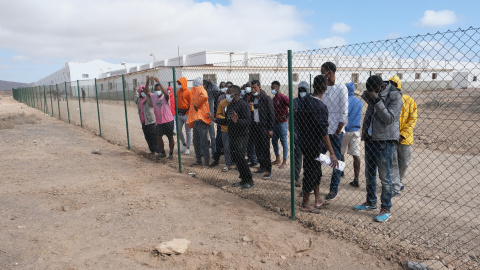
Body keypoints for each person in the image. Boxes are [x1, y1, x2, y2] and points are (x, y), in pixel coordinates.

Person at [353, 75, 403, 223]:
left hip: (384, 141)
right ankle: (370, 202)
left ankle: (386, 208)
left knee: (385, 178)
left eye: (373, 91)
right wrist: (369, 96)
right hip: (371, 139)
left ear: (381, 87)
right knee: (369, 174)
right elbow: (371, 107)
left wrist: (377, 100)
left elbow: (389, 119)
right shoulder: (376, 92)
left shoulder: (395, 97)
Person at [296, 75, 338, 213]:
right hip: (314, 146)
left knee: (316, 172)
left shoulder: (304, 101)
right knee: (311, 173)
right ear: (325, 87)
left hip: (304, 142)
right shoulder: (320, 106)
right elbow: (323, 133)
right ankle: (305, 204)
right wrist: (332, 153)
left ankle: (317, 199)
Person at [209, 85, 254, 189]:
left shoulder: (243, 105)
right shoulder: (229, 106)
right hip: (232, 134)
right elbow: (226, 121)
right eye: (227, 92)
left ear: (236, 94)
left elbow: (248, 121)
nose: (227, 94)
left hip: (241, 136)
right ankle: (243, 180)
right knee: (237, 159)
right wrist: (214, 119)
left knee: (241, 159)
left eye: (229, 92)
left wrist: (237, 121)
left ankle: (249, 180)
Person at [320, 62, 349, 201]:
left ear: (330, 73)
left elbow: (344, 112)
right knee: (317, 157)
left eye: (323, 72)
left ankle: (333, 189)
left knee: (336, 161)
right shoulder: (324, 88)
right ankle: (314, 185)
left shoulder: (341, 88)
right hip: (323, 131)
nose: (321, 75)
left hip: (336, 132)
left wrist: (337, 131)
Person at [389, 76, 417, 197]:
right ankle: (395, 186)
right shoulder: (388, 101)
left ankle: (399, 180)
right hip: (391, 138)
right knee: (393, 162)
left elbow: (412, 120)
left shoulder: (409, 101)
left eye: (393, 85)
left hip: (405, 138)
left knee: (404, 162)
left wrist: (402, 135)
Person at [250, 80, 275, 180]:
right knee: (258, 149)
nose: (253, 90)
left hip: (264, 127)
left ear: (259, 88)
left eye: (255, 88)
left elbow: (271, 114)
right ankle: (261, 167)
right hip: (255, 127)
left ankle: (268, 170)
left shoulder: (266, 98)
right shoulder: (252, 98)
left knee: (265, 149)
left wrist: (270, 129)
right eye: (252, 88)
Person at [341, 82, 363, 188]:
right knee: (356, 155)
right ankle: (356, 179)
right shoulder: (359, 102)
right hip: (356, 130)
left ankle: (341, 172)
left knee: (340, 152)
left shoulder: (344, 101)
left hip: (345, 130)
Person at [187, 77, 212, 168]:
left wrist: (196, 104)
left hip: (202, 120)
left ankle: (206, 162)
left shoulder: (201, 90)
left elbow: (205, 97)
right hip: (196, 120)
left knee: (204, 142)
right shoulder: (196, 91)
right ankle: (198, 160)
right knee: (196, 141)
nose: (194, 84)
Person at [134, 82, 161, 159]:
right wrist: (135, 91)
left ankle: (158, 152)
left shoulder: (148, 98)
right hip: (143, 122)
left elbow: (150, 99)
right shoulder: (139, 100)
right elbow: (135, 98)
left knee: (154, 137)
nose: (143, 93)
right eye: (141, 91)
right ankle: (152, 151)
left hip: (151, 121)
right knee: (147, 137)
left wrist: (147, 88)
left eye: (144, 91)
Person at [150, 76, 175, 160]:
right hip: (160, 122)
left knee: (170, 137)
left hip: (168, 121)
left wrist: (159, 82)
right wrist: (147, 82)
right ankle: (163, 153)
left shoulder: (165, 97)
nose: (157, 91)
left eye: (159, 89)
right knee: (159, 137)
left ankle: (171, 153)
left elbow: (166, 94)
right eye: (156, 90)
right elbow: (146, 92)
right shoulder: (154, 97)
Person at [210, 89, 233, 171]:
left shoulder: (237, 103)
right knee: (225, 146)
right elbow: (218, 115)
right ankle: (228, 164)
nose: (229, 95)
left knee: (235, 147)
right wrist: (227, 119)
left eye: (231, 93)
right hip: (224, 128)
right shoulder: (222, 103)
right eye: (228, 93)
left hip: (235, 129)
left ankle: (236, 163)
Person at [293, 81, 310, 187]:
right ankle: (296, 177)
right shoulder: (294, 102)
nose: (302, 92)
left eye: (304, 90)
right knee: (298, 155)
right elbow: (292, 118)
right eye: (300, 90)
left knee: (308, 157)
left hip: (309, 134)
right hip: (297, 133)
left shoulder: (311, 102)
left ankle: (307, 177)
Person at [271, 81, 289, 169]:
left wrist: (286, 116)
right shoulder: (274, 99)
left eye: (274, 87)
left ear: (278, 88)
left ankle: (284, 161)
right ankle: (277, 158)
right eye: (271, 88)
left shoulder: (283, 97)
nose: (272, 89)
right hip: (275, 123)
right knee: (274, 141)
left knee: (283, 141)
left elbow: (291, 106)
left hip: (282, 123)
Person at [243, 82, 258, 167]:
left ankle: (255, 160)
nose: (251, 89)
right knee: (250, 143)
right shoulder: (248, 97)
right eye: (250, 87)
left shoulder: (261, 97)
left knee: (254, 144)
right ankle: (252, 159)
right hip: (250, 122)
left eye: (252, 87)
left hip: (256, 123)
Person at [176, 77, 192, 155]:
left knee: (188, 132)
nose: (179, 85)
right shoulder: (178, 92)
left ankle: (188, 147)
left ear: (184, 83)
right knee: (178, 130)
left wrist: (188, 112)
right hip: (179, 114)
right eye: (178, 83)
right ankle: (184, 144)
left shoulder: (189, 92)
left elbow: (191, 103)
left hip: (187, 114)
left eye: (180, 83)